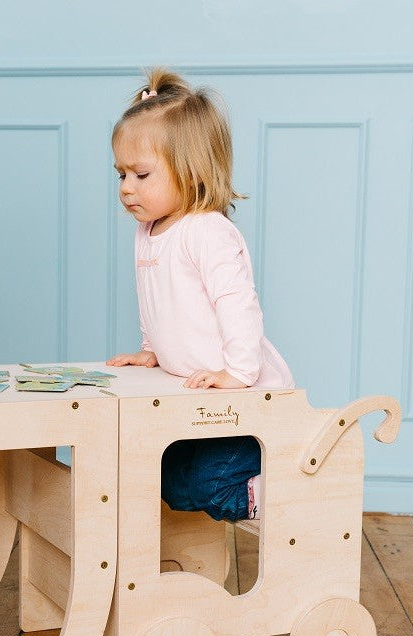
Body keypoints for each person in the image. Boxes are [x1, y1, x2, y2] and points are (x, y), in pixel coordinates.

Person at [107, 69, 293, 522]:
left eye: (141, 174)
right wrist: (152, 351)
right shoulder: (148, 231)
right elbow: (153, 297)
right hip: (194, 399)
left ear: (190, 171)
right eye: (121, 174)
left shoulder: (207, 231)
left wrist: (238, 372)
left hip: (240, 400)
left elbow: (238, 305)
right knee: (164, 476)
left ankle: (281, 490)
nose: (127, 187)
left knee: (208, 484)